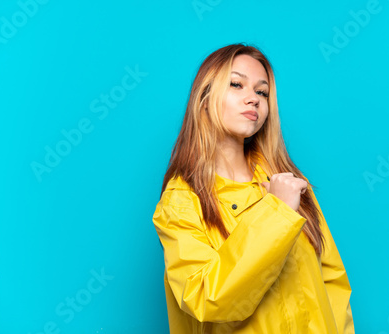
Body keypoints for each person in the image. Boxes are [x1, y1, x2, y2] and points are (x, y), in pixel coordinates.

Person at [152, 43, 355, 333]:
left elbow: (332, 282)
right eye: (237, 85)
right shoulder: (182, 201)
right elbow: (207, 298)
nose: (254, 99)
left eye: (262, 92)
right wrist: (277, 212)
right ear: (205, 98)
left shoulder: (289, 182)